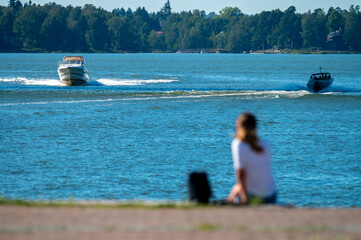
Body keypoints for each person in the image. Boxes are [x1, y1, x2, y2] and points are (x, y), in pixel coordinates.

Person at [227, 113, 277, 205]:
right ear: (255, 128)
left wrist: (244, 197)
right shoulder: (265, 144)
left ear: (239, 127)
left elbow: (241, 175)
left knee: (233, 201)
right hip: (271, 194)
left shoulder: (238, 145)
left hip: (253, 195)